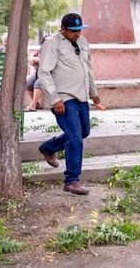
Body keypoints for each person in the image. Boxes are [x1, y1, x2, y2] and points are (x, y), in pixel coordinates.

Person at [37, 13, 106, 195]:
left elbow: (87, 68)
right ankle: (72, 180)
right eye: (73, 31)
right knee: (75, 137)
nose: (77, 34)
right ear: (63, 29)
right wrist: (55, 98)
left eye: (79, 30)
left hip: (81, 95)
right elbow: (44, 72)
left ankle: (48, 148)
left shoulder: (82, 42)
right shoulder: (53, 44)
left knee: (84, 131)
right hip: (63, 97)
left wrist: (94, 92)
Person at [24, 35, 51, 111]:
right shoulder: (40, 51)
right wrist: (33, 61)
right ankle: (36, 104)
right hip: (38, 73)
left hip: (50, 74)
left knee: (38, 83)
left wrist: (40, 61)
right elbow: (32, 62)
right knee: (29, 83)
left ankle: (33, 105)